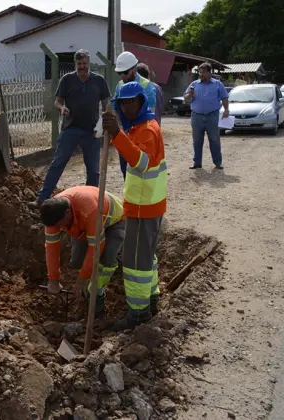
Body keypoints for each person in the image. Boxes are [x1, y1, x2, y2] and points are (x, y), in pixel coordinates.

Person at [102, 81, 166, 331]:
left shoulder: (148, 130)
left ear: (142, 102)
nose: (127, 108)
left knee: (135, 263)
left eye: (132, 102)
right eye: (123, 103)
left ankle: (138, 314)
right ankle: (151, 299)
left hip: (144, 207)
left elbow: (140, 162)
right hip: (145, 205)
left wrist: (117, 134)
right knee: (146, 256)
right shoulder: (138, 127)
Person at [28, 49, 111, 210]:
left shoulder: (99, 81)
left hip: (92, 132)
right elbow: (57, 101)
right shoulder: (67, 80)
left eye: (84, 63)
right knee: (57, 163)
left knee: (93, 171)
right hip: (70, 128)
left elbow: (107, 104)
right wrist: (61, 108)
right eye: (79, 64)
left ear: (89, 63)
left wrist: (102, 126)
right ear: (75, 64)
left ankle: (91, 203)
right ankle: (41, 199)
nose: (82, 67)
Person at [39, 186, 125, 317]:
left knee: (107, 258)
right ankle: (88, 287)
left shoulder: (89, 210)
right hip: (83, 226)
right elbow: (51, 248)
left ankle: (97, 293)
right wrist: (53, 279)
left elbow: (96, 248)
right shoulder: (53, 214)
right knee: (77, 260)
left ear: (67, 213)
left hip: (114, 221)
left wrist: (82, 279)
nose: (58, 228)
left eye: (59, 225)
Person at [112, 52, 157, 180]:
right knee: (126, 170)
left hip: (142, 136)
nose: (122, 76)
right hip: (126, 135)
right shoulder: (120, 85)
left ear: (134, 69)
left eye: (125, 72)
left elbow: (150, 115)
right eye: (119, 73)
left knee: (141, 169)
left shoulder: (147, 86)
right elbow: (115, 108)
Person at [183, 62, 230, 170]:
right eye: (200, 72)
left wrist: (226, 110)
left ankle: (218, 163)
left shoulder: (218, 84)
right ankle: (197, 163)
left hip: (212, 116)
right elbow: (185, 98)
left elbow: (225, 97)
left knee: (214, 139)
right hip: (196, 117)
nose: (201, 74)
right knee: (197, 140)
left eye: (203, 72)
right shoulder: (194, 84)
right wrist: (189, 95)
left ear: (209, 72)